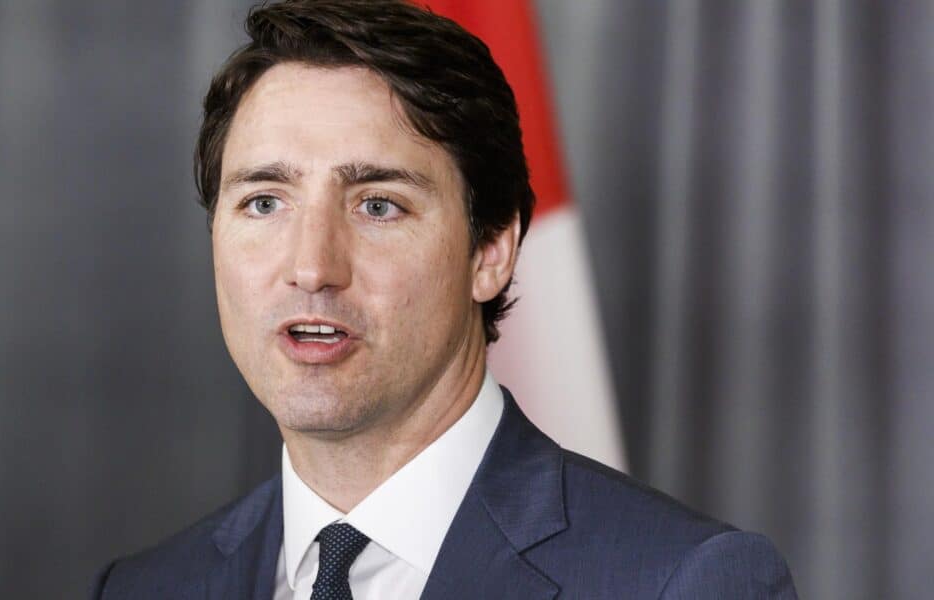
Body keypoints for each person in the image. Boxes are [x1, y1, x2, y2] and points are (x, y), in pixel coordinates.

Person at [91, 0, 798, 598]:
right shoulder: (143, 587)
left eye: (377, 205)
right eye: (265, 200)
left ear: (490, 250)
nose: (311, 267)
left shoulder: (684, 583)